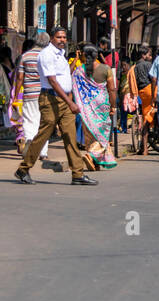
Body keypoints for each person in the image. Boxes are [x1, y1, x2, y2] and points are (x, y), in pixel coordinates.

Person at [14, 25, 97, 186]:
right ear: (52, 38)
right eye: (59, 37)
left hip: (64, 100)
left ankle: (77, 174)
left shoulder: (61, 54)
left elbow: (64, 76)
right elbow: (52, 80)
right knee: (43, 135)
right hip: (50, 99)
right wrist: (70, 102)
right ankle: (23, 169)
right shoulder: (46, 55)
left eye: (64, 38)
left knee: (70, 136)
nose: (62, 40)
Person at [10, 32, 64, 171]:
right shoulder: (47, 56)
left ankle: (29, 147)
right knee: (44, 123)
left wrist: (16, 96)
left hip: (29, 94)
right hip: (44, 94)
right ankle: (43, 152)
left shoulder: (25, 56)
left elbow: (20, 78)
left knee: (29, 121)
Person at [72, 45, 118, 169]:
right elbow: (112, 89)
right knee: (103, 132)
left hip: (86, 105)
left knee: (90, 132)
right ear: (97, 55)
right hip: (102, 104)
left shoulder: (79, 71)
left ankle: (95, 161)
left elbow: (70, 81)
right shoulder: (105, 69)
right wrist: (113, 106)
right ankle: (91, 155)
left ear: (83, 56)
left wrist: (76, 60)